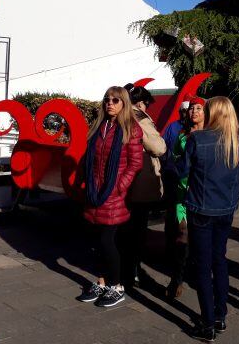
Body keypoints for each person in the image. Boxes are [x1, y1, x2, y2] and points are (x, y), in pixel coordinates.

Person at [177, 96, 239, 342]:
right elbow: (238, 173)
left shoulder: (198, 139)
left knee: (203, 266)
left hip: (201, 209)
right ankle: (220, 315)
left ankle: (208, 324)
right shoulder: (238, 142)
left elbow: (182, 170)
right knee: (220, 260)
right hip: (225, 209)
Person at [79, 87, 143, 308]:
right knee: (97, 241)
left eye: (115, 100)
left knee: (107, 240)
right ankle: (102, 281)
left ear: (124, 103)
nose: (110, 103)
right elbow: (90, 158)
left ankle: (116, 286)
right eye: (107, 99)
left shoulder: (131, 129)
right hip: (95, 192)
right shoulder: (99, 126)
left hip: (113, 194)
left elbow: (135, 163)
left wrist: (119, 186)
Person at [122, 85, 167, 287]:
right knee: (137, 228)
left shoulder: (114, 115)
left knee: (122, 228)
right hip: (138, 181)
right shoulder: (138, 117)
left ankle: (121, 268)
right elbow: (158, 147)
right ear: (141, 103)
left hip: (120, 181)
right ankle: (132, 271)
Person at [164, 95, 205, 299]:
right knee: (182, 235)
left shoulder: (209, 135)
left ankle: (200, 274)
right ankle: (177, 278)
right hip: (182, 193)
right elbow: (174, 160)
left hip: (203, 195)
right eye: (191, 108)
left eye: (198, 108)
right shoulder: (181, 134)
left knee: (200, 238)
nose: (194, 112)